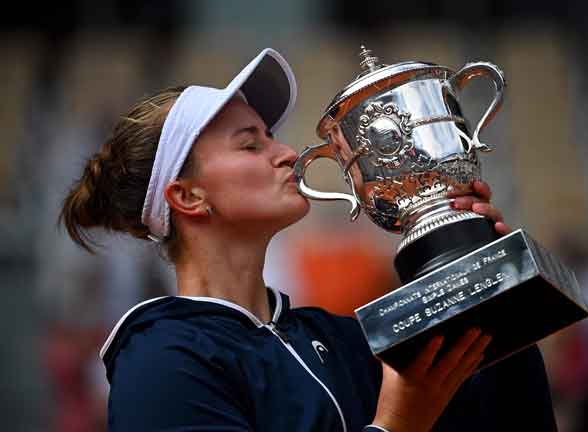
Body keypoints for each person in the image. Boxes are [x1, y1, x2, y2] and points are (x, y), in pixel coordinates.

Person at [59, 48, 557, 432]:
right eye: (251, 144)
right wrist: (393, 428)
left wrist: (476, 268)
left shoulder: (341, 337)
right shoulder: (161, 360)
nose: (287, 153)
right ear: (188, 196)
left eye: (272, 136)